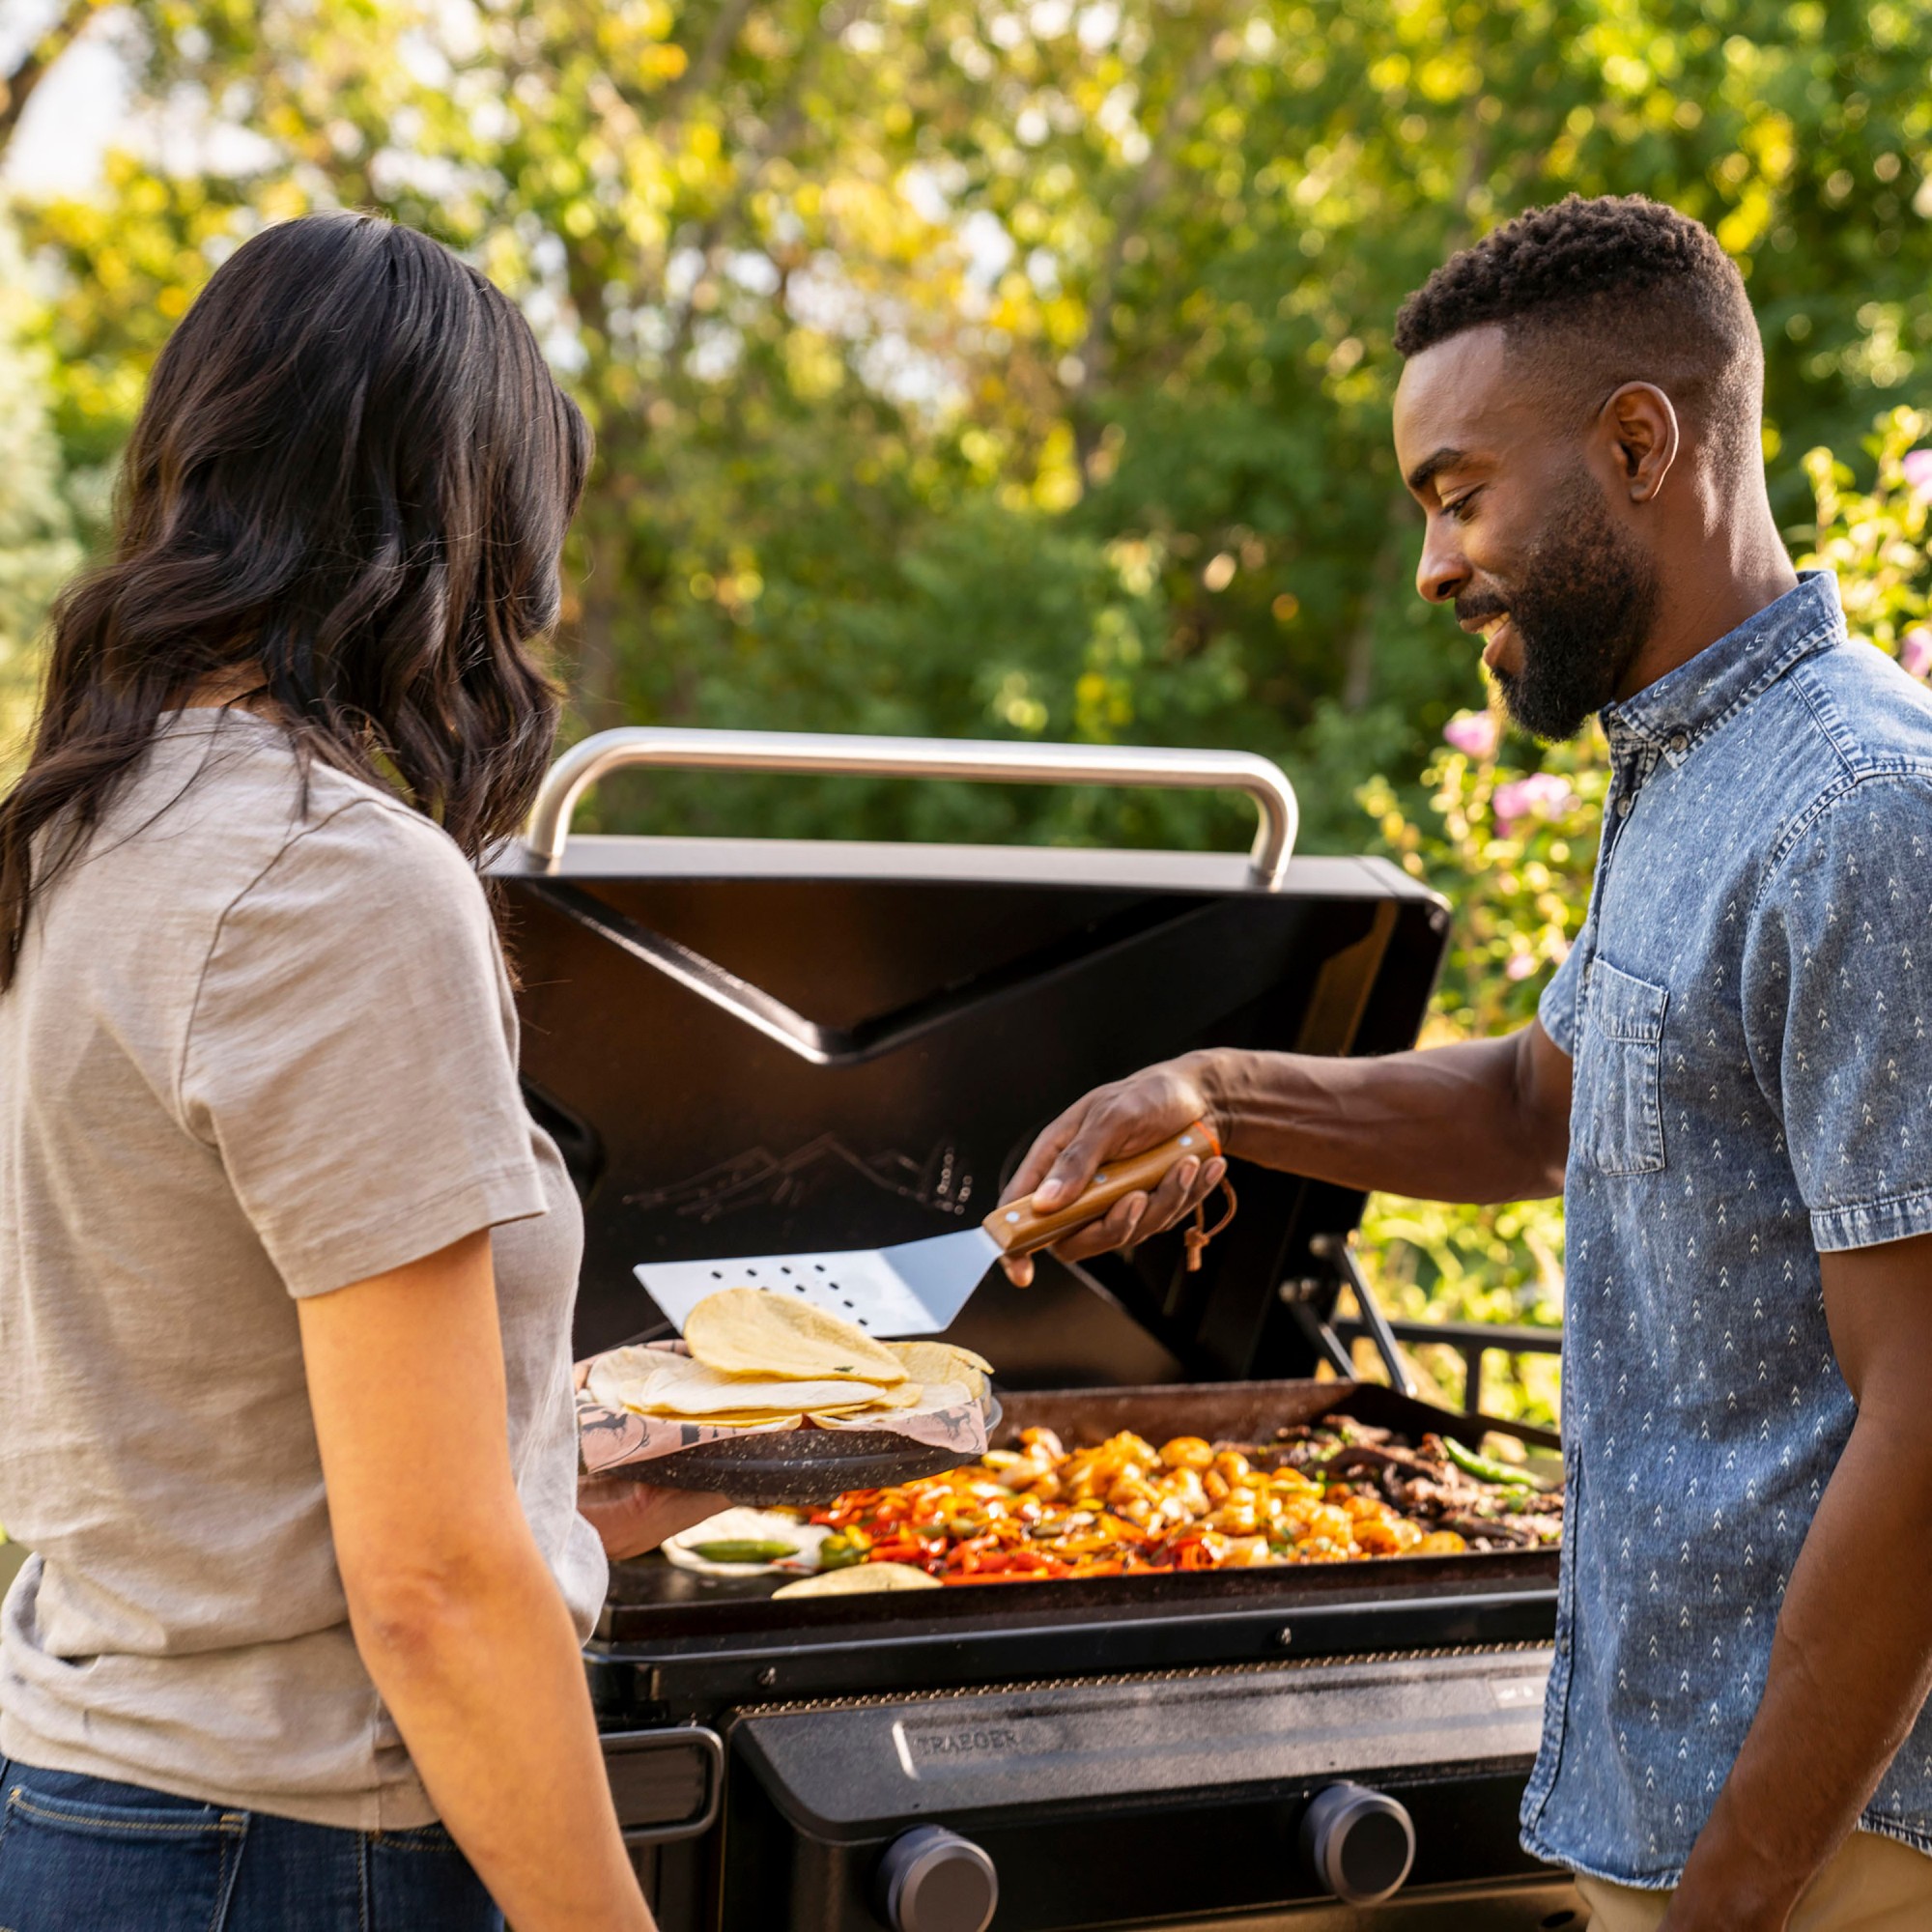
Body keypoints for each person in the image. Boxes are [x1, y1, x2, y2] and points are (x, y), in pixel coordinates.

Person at [997, 195, 1932, 1931]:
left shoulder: (1863, 816)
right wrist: (1217, 1090)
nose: (1432, 565)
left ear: (1640, 443)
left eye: (1456, 493)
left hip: (1822, 1856)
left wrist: (1734, 1898)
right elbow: (1532, 1102)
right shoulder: (1701, 769)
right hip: (1673, 1813)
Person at [0, 213, 723, 1931]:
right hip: (303, 1841)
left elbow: (194, 1404)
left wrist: (553, 1470)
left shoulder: (89, 832)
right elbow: (426, 1586)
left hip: (92, 1790)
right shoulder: (337, 877)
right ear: (454, 525)